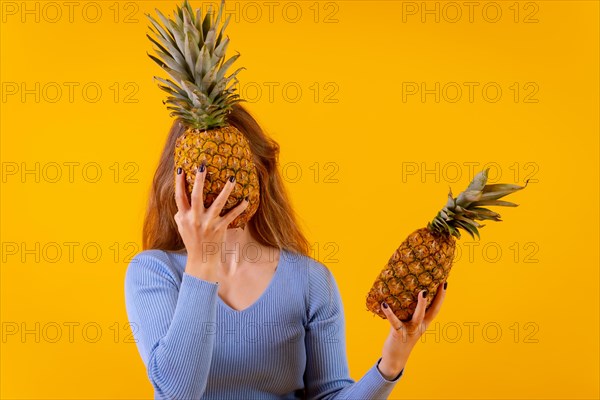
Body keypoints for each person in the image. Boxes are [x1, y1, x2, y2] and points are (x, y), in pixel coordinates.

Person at [124, 104, 447, 399]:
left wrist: (391, 363)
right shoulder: (154, 272)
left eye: (227, 163)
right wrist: (203, 260)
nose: (216, 181)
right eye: (200, 168)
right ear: (177, 178)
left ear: (258, 169)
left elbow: (328, 395)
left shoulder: (309, 281)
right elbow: (177, 394)